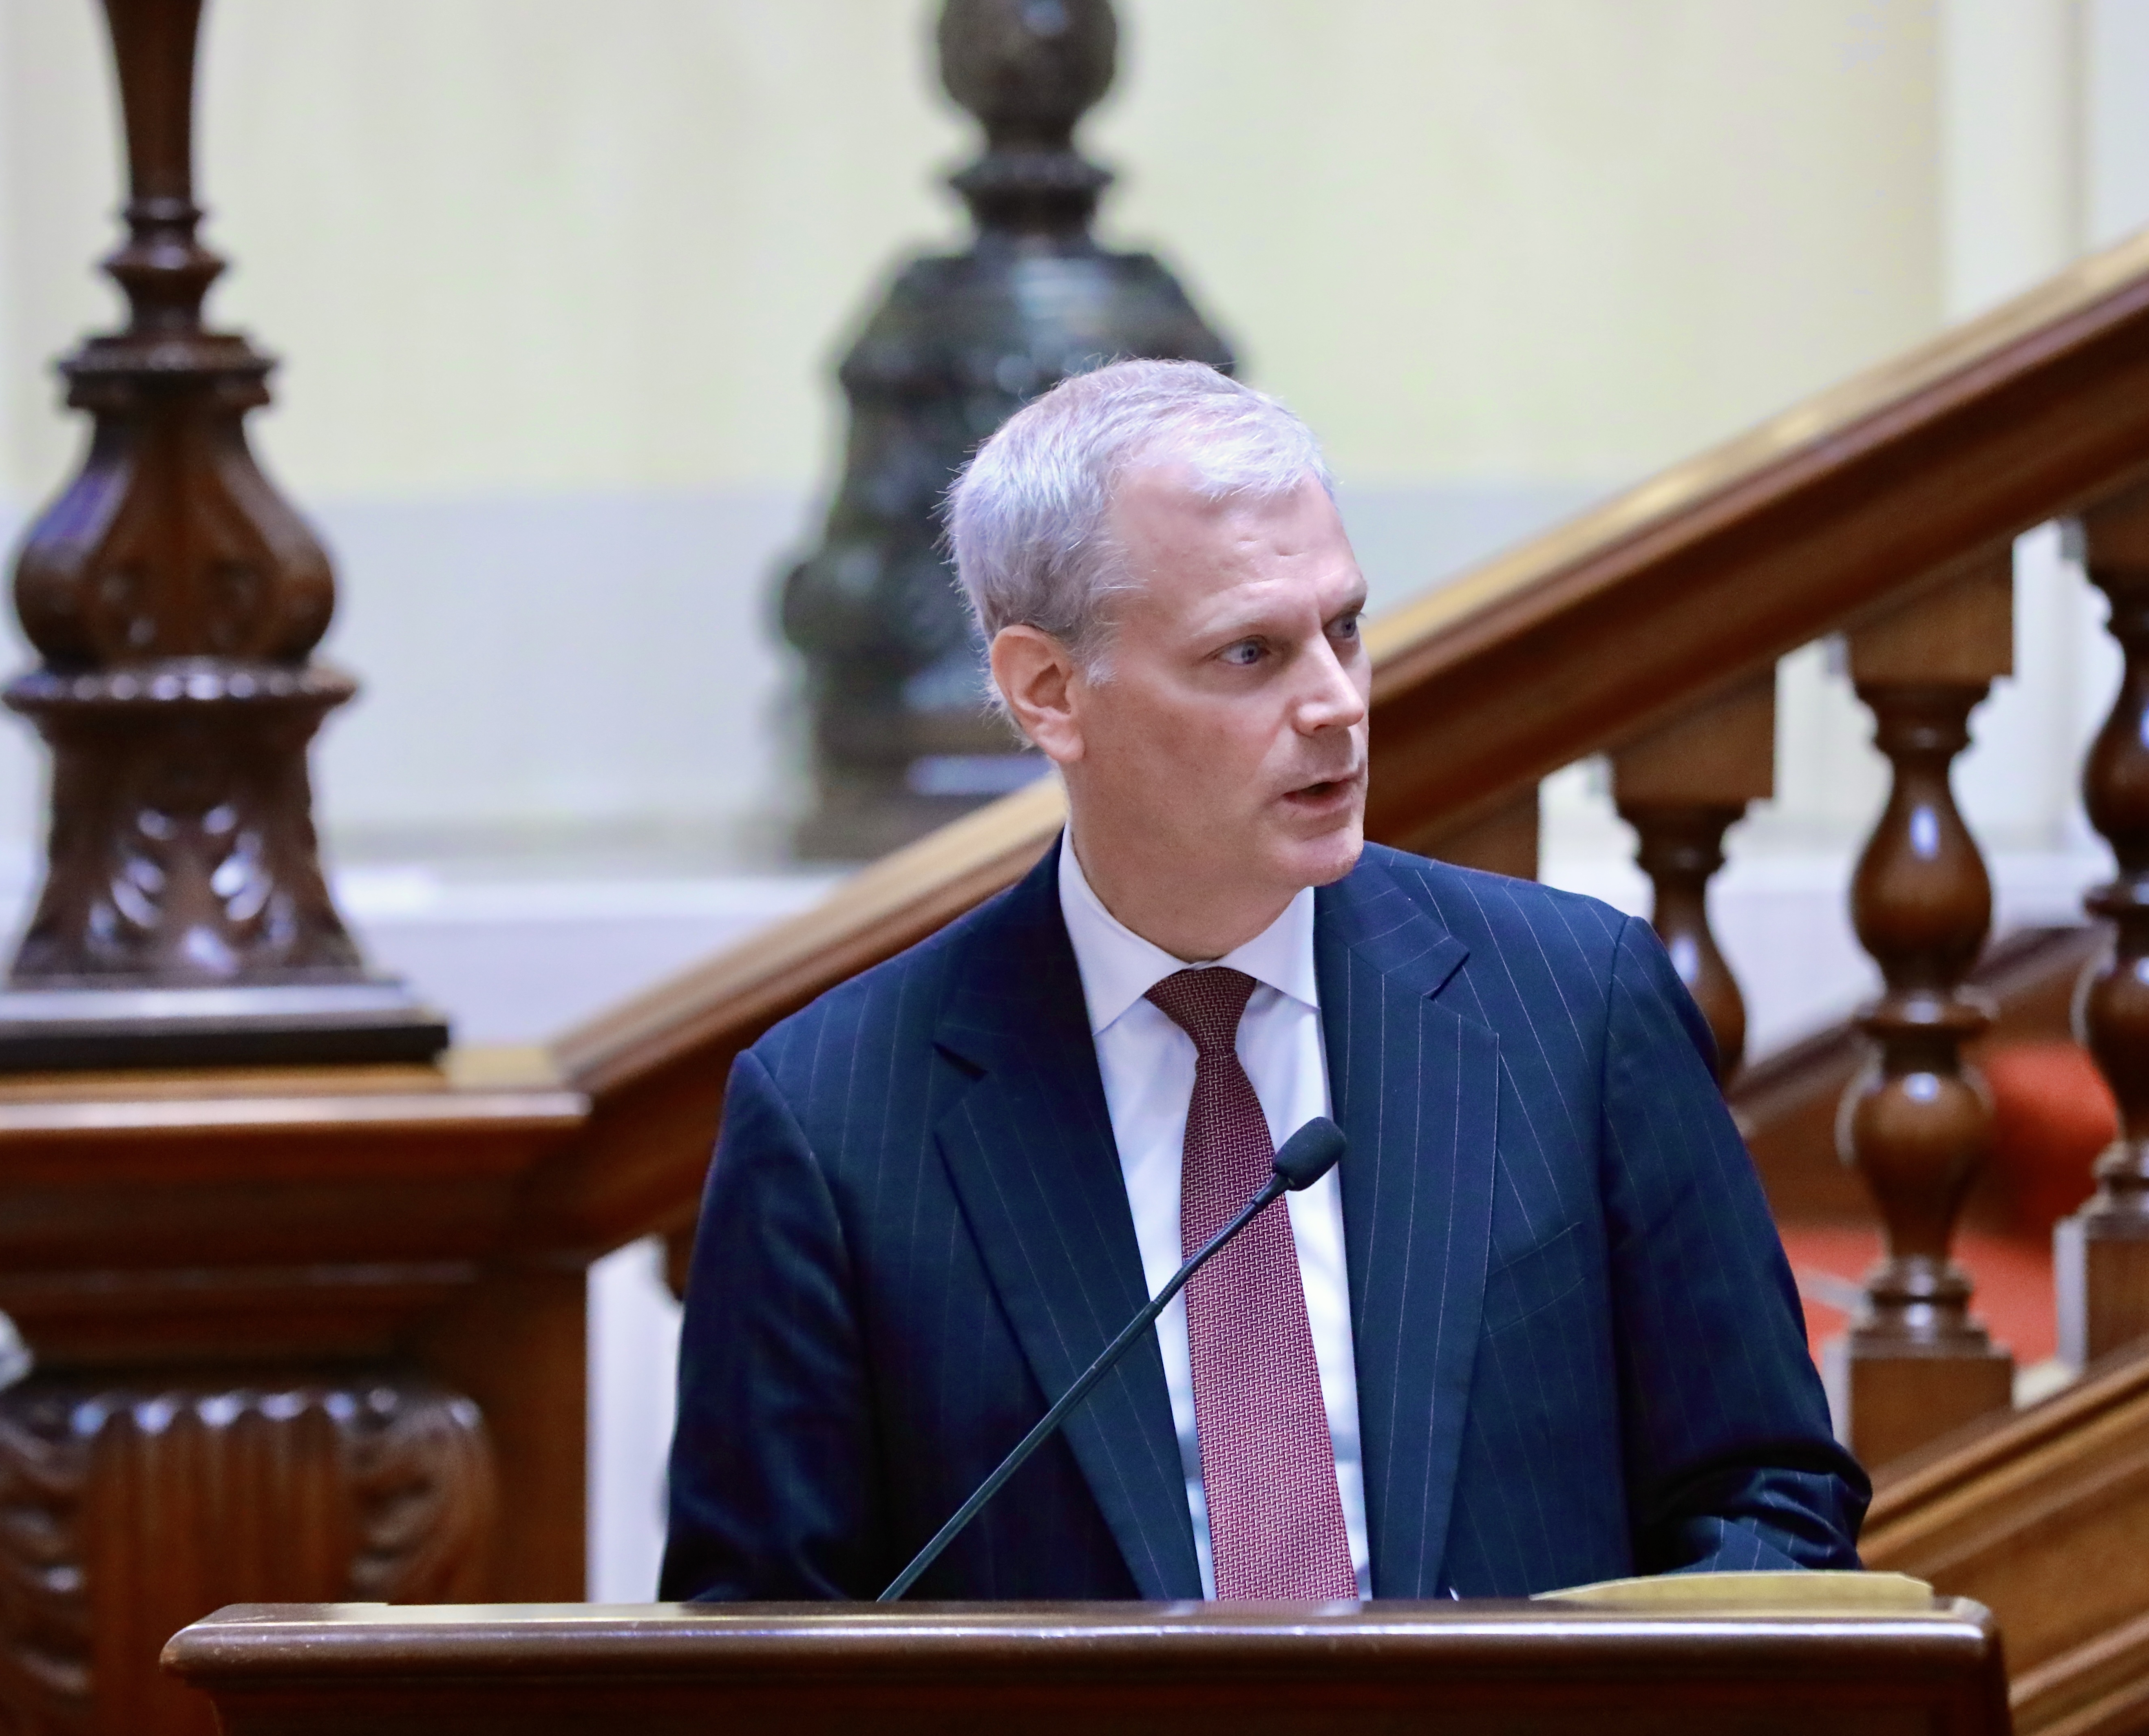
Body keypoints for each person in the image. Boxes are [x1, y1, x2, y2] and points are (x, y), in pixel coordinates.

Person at [660, 359, 1866, 1602]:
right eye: (1250, 653)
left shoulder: (1574, 1006)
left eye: (1343, 628)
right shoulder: (836, 1119)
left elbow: (1767, 1493)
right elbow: (757, 1639)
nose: (1337, 703)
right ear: (1047, 690)